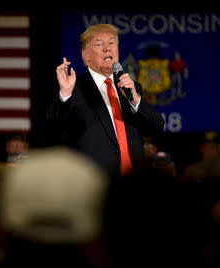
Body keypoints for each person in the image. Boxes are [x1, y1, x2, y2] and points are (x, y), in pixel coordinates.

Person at [46, 24, 164, 176]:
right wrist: (65, 95)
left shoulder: (130, 88)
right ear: (86, 55)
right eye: (99, 44)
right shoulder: (72, 88)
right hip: (93, 184)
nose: (107, 48)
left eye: (112, 43)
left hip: (133, 183)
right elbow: (51, 133)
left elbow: (156, 128)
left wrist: (135, 99)